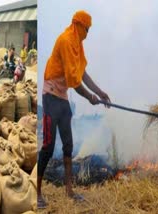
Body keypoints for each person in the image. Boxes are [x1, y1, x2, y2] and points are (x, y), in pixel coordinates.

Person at [37, 10, 111, 209]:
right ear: (78, 25)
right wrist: (90, 98)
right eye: (86, 29)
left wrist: (100, 92)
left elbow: (82, 74)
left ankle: (69, 191)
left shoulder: (77, 44)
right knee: (48, 146)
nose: (87, 34)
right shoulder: (67, 40)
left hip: (62, 97)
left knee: (68, 145)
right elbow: (74, 82)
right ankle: (37, 192)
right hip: (51, 94)